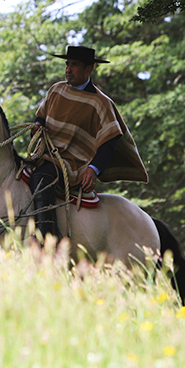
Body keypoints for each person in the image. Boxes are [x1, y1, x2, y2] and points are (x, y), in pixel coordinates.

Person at [29, 45, 149, 242]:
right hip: (45, 155)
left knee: (42, 177)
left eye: (74, 65)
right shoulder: (56, 90)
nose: (68, 69)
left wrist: (93, 169)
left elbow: (109, 142)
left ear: (89, 69)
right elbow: (41, 117)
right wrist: (37, 126)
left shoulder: (101, 103)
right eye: (67, 64)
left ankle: (48, 237)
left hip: (72, 164)